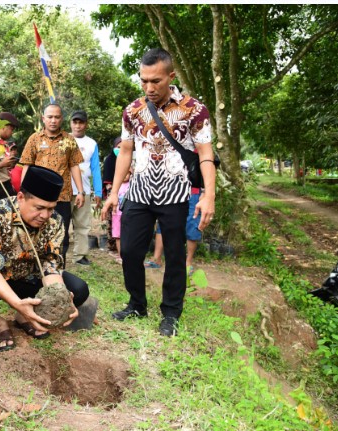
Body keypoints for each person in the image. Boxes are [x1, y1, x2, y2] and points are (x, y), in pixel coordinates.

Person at [101, 48, 216, 337]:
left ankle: (171, 313)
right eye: (144, 81)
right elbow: (125, 151)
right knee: (128, 250)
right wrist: (114, 192)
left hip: (176, 192)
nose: (149, 88)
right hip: (139, 190)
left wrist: (209, 194)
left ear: (171, 76)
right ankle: (137, 304)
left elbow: (205, 154)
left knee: (175, 256)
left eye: (156, 81)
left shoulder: (195, 109)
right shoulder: (132, 110)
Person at [0, 166, 88, 351]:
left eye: (51, 209)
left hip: (30, 276)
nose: (45, 215)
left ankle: (25, 318)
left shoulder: (56, 221)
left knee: (78, 290)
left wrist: (59, 297)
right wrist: (17, 304)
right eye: (39, 208)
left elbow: (51, 266)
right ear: (20, 197)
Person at [20, 104, 85, 265]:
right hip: (37, 196)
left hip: (62, 196)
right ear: (43, 119)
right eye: (50, 117)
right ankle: (34, 265)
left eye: (57, 117)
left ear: (61, 119)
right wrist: (22, 190)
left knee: (61, 232)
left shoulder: (69, 140)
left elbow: (75, 165)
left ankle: (57, 266)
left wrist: (81, 192)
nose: (53, 121)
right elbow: (26, 164)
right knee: (35, 230)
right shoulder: (34, 139)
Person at [69, 110, 102, 265]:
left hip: (84, 191)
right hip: (64, 190)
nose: (78, 125)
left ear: (86, 124)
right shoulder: (63, 139)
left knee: (82, 225)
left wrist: (99, 191)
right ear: (70, 123)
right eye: (75, 122)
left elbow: (95, 169)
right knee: (58, 223)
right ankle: (57, 253)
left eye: (81, 122)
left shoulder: (91, 144)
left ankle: (80, 255)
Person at [102, 137, 121, 254]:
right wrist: (112, 191)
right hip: (113, 192)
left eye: (122, 148)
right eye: (118, 147)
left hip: (126, 192)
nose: (120, 150)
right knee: (112, 219)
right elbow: (107, 179)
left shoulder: (131, 159)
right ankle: (112, 245)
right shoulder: (110, 160)